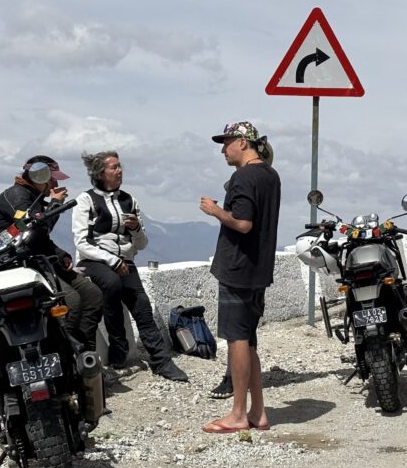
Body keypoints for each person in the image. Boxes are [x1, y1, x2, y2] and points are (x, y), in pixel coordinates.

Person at [72, 150, 188, 382]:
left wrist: (135, 229)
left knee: (142, 306)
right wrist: (112, 260)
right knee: (112, 284)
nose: (120, 170)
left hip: (125, 261)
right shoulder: (85, 200)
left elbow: (142, 244)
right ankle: (118, 344)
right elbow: (82, 243)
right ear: (100, 173)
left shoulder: (129, 200)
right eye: (114, 167)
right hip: (94, 261)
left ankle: (161, 361)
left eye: (119, 166)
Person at [199, 121, 280, 433]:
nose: (223, 149)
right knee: (249, 342)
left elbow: (243, 223)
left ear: (243, 142)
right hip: (259, 269)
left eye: (227, 142)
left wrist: (214, 210)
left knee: (236, 340)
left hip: (237, 269)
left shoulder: (243, 176)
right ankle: (258, 412)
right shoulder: (270, 175)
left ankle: (237, 414)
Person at [0, 155, 103, 353]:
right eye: (52, 178)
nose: (56, 183)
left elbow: (42, 240)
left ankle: (87, 355)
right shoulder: (17, 197)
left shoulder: (34, 198)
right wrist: (55, 204)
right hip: (22, 266)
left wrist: (60, 254)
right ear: (40, 177)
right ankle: (66, 353)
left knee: (92, 295)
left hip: (44, 261)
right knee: (73, 302)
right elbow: (32, 232)